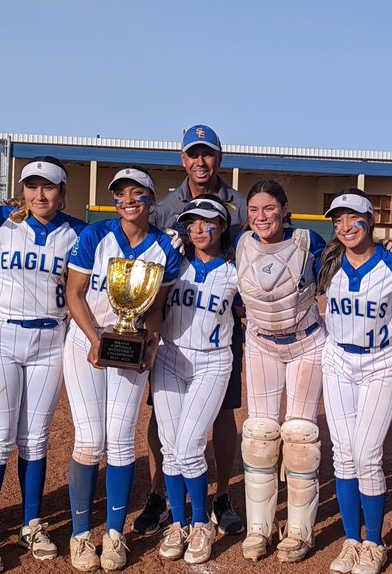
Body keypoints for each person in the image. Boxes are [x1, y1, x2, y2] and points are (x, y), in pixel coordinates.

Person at [0, 157, 87, 574]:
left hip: (51, 339)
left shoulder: (78, 233)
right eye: (32, 187)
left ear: (62, 190)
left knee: (35, 437)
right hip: (0, 334)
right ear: (21, 189)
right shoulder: (0, 220)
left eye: (48, 187)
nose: (40, 195)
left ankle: (31, 523)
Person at [64, 166, 182, 571]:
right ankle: (81, 535)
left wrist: (149, 344)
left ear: (151, 199)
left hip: (131, 348)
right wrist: (96, 340)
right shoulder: (95, 235)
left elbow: (157, 309)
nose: (128, 201)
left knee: (120, 439)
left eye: (137, 194)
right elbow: (74, 294)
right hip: (87, 341)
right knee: (90, 440)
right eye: (120, 194)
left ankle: (114, 534)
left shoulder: (165, 247)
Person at [138, 124, 249, 537]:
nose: (200, 162)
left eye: (208, 154)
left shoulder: (241, 205)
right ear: (182, 159)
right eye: (193, 154)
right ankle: (160, 495)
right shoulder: (165, 209)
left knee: (222, 411)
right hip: (174, 327)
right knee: (164, 418)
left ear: (219, 157)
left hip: (220, 325)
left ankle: (220, 496)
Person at [235, 179, 327, 563]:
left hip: (306, 342)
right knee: (259, 434)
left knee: (300, 437)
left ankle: (298, 531)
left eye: (269, 209)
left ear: (285, 209)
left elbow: (350, 262)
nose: (261, 217)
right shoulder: (240, 245)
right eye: (254, 210)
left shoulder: (309, 242)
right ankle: (260, 527)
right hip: (261, 344)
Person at [318, 190, 392, 574]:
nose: (344, 226)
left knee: (367, 454)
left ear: (369, 220)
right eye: (337, 220)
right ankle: (352, 540)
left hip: (379, 361)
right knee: (342, 453)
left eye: (352, 217)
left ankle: (375, 542)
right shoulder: (326, 262)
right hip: (337, 357)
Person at [151, 195, 242, 565]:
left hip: (212, 363)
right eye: (192, 222)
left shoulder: (236, 271)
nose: (199, 229)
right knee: (171, 449)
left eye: (208, 222)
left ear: (221, 226)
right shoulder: (175, 264)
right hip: (170, 358)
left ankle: (202, 523)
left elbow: (254, 308)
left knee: (188, 447)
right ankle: (179, 522)